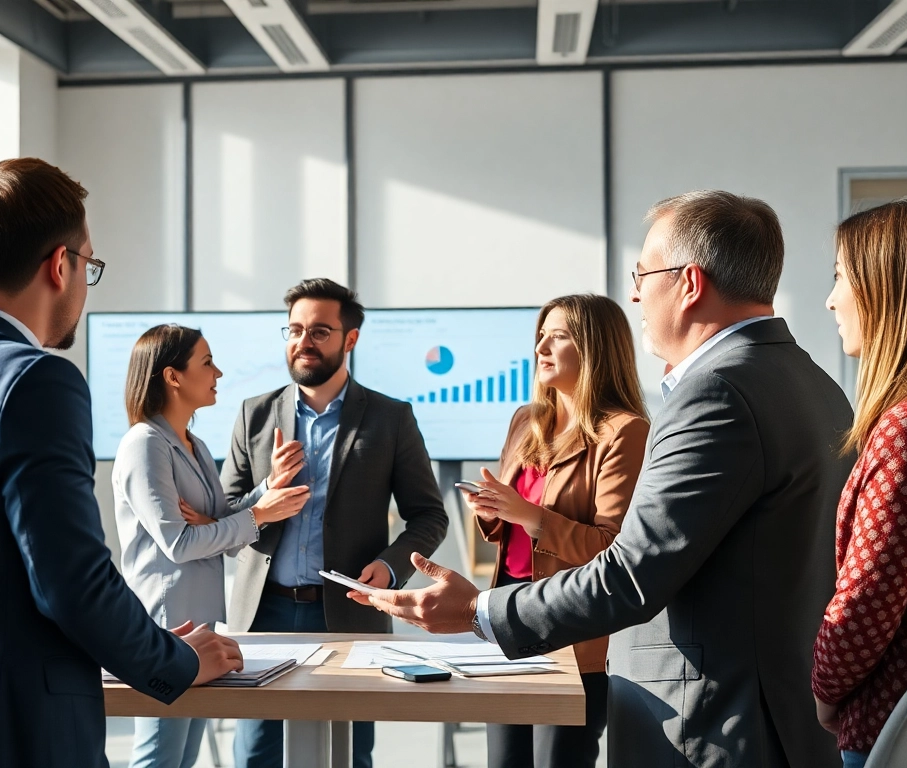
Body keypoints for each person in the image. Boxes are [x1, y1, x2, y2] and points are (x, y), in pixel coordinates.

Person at [350, 190, 855, 768]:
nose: (636, 292)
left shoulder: (715, 393)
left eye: (641, 273)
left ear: (689, 284)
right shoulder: (814, 383)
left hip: (707, 727)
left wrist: (478, 612)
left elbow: (631, 573)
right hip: (772, 715)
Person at [0, 158, 244, 768]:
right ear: (62, 265)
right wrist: (178, 661)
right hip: (2, 736)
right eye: (90, 266)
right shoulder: (34, 379)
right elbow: (71, 580)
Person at [221, 277, 450, 768]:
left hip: (350, 613)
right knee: (255, 755)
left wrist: (391, 568)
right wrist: (267, 492)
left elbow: (429, 514)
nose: (303, 342)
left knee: (349, 754)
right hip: (264, 615)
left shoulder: (391, 418)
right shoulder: (254, 414)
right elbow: (223, 513)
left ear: (351, 339)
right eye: (294, 329)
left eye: (319, 331)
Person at [463, 294, 648, 768]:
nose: (541, 347)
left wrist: (529, 515)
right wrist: (492, 509)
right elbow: (509, 526)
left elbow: (613, 548)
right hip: (506, 619)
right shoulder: (526, 422)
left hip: (570, 629)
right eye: (539, 336)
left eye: (558, 336)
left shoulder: (624, 431)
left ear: (594, 348)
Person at [113, 324, 310, 768]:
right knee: (159, 757)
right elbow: (181, 545)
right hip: (167, 627)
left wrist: (268, 488)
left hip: (200, 625)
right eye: (207, 362)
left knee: (182, 757)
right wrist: (259, 515)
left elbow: (221, 523)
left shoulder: (194, 444)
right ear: (173, 376)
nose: (218, 372)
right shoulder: (144, 445)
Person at [814, 196, 907, 768]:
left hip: (898, 727)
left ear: (889, 288)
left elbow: (867, 599)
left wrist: (824, 688)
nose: (830, 299)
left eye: (841, 276)